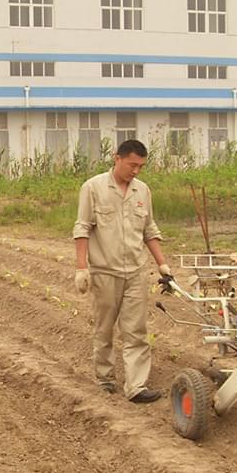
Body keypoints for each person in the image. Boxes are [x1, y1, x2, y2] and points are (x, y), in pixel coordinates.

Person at [73, 139, 170, 403]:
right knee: (104, 328)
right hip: (106, 271)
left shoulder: (142, 191)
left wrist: (162, 263)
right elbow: (83, 228)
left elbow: (150, 230)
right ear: (117, 158)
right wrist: (82, 268)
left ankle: (136, 386)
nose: (136, 171)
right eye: (132, 165)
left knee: (136, 330)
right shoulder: (93, 188)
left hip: (136, 271)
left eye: (141, 166)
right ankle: (105, 378)